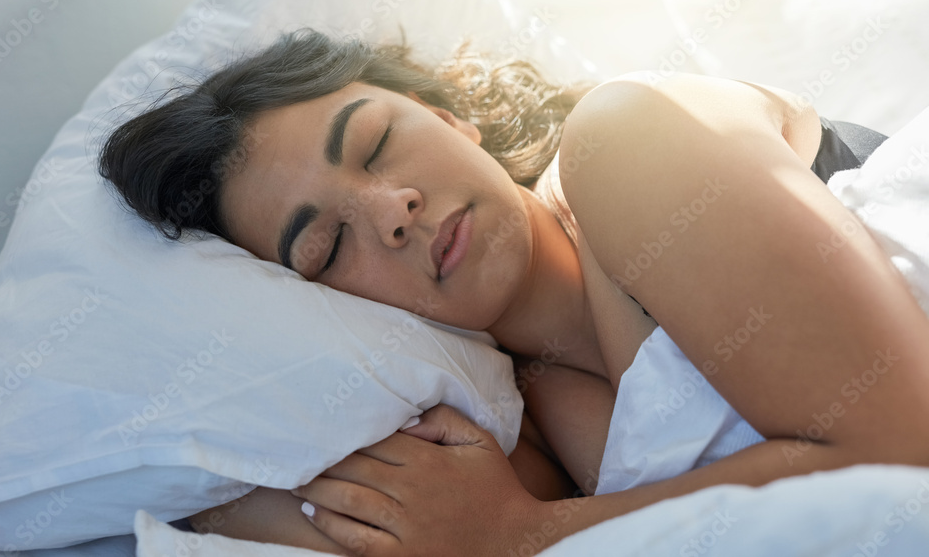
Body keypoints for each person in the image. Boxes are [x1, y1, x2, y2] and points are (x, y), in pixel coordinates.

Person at [98, 28, 929, 556]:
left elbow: (902, 445)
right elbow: (239, 514)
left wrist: (525, 536)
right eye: (327, 245)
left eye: (380, 141)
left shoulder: (626, 141)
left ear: (449, 114)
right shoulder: (516, 418)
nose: (391, 211)